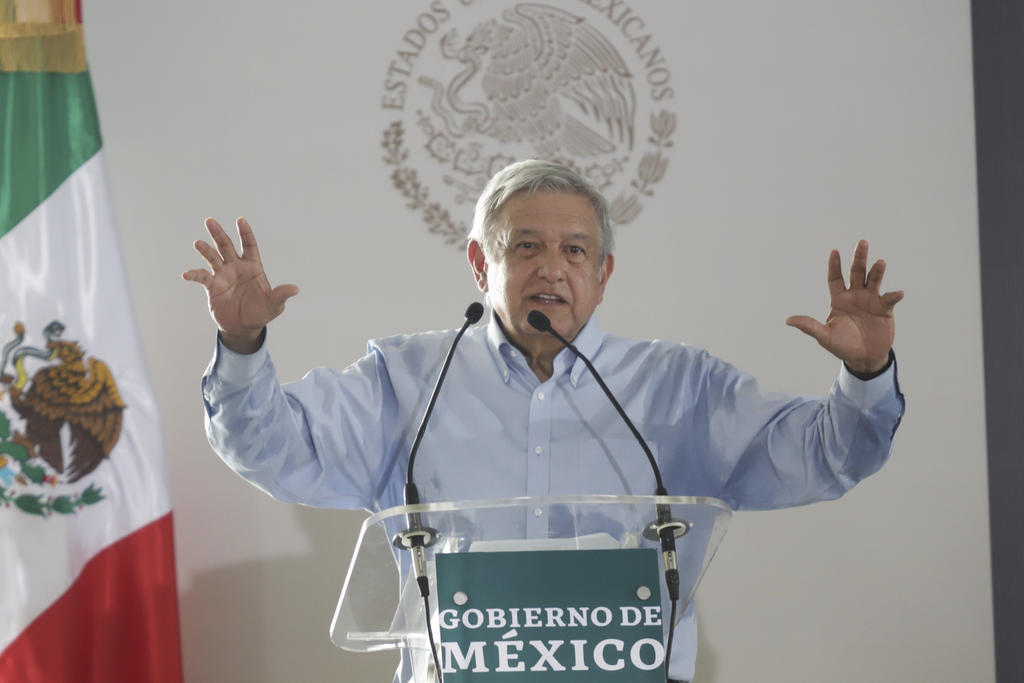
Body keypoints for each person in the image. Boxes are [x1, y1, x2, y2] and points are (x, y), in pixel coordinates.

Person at [184, 159, 905, 682]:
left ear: (603, 274)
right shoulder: (405, 382)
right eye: (525, 246)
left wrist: (866, 376)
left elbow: (826, 456)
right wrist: (243, 344)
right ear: (480, 263)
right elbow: (269, 446)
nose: (551, 268)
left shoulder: (678, 388)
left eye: (575, 250)